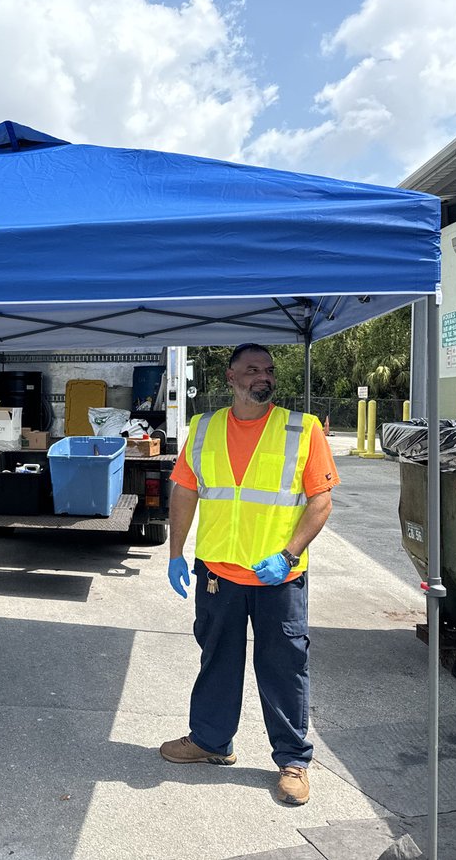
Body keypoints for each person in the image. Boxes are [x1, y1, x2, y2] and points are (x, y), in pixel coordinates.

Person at [159, 343, 338, 807]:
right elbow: (184, 490)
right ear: (231, 377)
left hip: (278, 577)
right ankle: (210, 741)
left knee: (284, 667)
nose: (264, 377)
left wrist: (288, 553)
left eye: (269, 370)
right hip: (218, 572)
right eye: (253, 369)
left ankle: (294, 761)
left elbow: (321, 501)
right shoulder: (203, 428)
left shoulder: (303, 429)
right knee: (217, 658)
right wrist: (176, 553)